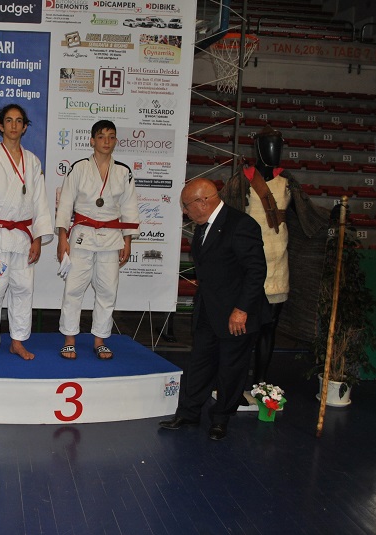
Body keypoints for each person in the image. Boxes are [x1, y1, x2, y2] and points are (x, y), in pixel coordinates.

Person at [160, 178, 270, 440]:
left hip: (236, 314)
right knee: (199, 363)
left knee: (231, 368)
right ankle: (189, 412)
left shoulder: (241, 225)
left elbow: (256, 271)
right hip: (209, 310)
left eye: (186, 205)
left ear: (203, 201)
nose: (185, 211)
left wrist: (241, 309)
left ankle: (221, 419)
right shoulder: (203, 227)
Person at [219, 128, 329, 389]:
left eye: (278, 146)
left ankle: (260, 382)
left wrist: (332, 215)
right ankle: (233, 381)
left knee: (268, 328)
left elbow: (308, 215)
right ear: (258, 148)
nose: (274, 151)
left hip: (278, 266)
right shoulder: (240, 182)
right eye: (270, 145)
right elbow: (225, 218)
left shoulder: (288, 183)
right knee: (239, 329)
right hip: (245, 266)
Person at [0, 104, 53, 361]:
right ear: (0, 126)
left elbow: (40, 203)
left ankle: (18, 341)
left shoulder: (33, 162)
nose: (14, 125)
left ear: (24, 127)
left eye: (18, 121)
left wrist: (38, 238)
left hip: (24, 237)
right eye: (9, 120)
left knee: (23, 289)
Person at [55, 120, 139, 360]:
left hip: (111, 237)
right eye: (101, 136)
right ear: (92, 140)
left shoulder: (123, 172)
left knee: (107, 290)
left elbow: (129, 208)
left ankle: (100, 339)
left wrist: (128, 241)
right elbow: (65, 205)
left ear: (116, 141)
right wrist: (62, 238)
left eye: (111, 137)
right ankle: (69, 339)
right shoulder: (79, 168)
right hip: (82, 234)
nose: (106, 141)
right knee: (73, 289)